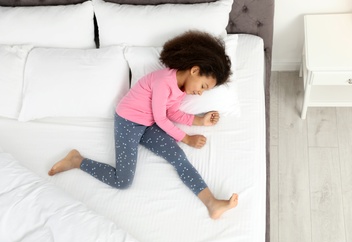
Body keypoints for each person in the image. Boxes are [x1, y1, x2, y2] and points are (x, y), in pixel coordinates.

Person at [48, 30, 238, 219]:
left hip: (148, 123)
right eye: (203, 86)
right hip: (128, 122)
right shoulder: (164, 81)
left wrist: (199, 121)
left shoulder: (181, 89)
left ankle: (211, 202)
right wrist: (186, 137)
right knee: (122, 181)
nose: (200, 93)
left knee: (178, 157)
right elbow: (161, 118)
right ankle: (76, 160)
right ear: (195, 70)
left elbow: (170, 112)